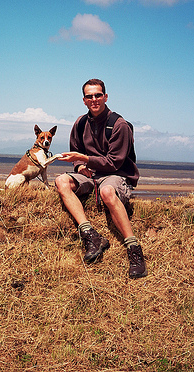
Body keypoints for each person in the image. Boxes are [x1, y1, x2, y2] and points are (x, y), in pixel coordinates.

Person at [55, 78, 147, 279]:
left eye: (98, 95)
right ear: (84, 100)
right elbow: (76, 152)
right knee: (61, 181)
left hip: (116, 175)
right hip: (91, 175)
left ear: (105, 97)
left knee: (107, 192)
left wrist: (84, 159)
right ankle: (90, 235)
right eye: (90, 96)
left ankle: (134, 249)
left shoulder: (119, 125)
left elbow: (115, 162)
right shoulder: (80, 123)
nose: (94, 99)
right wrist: (79, 165)